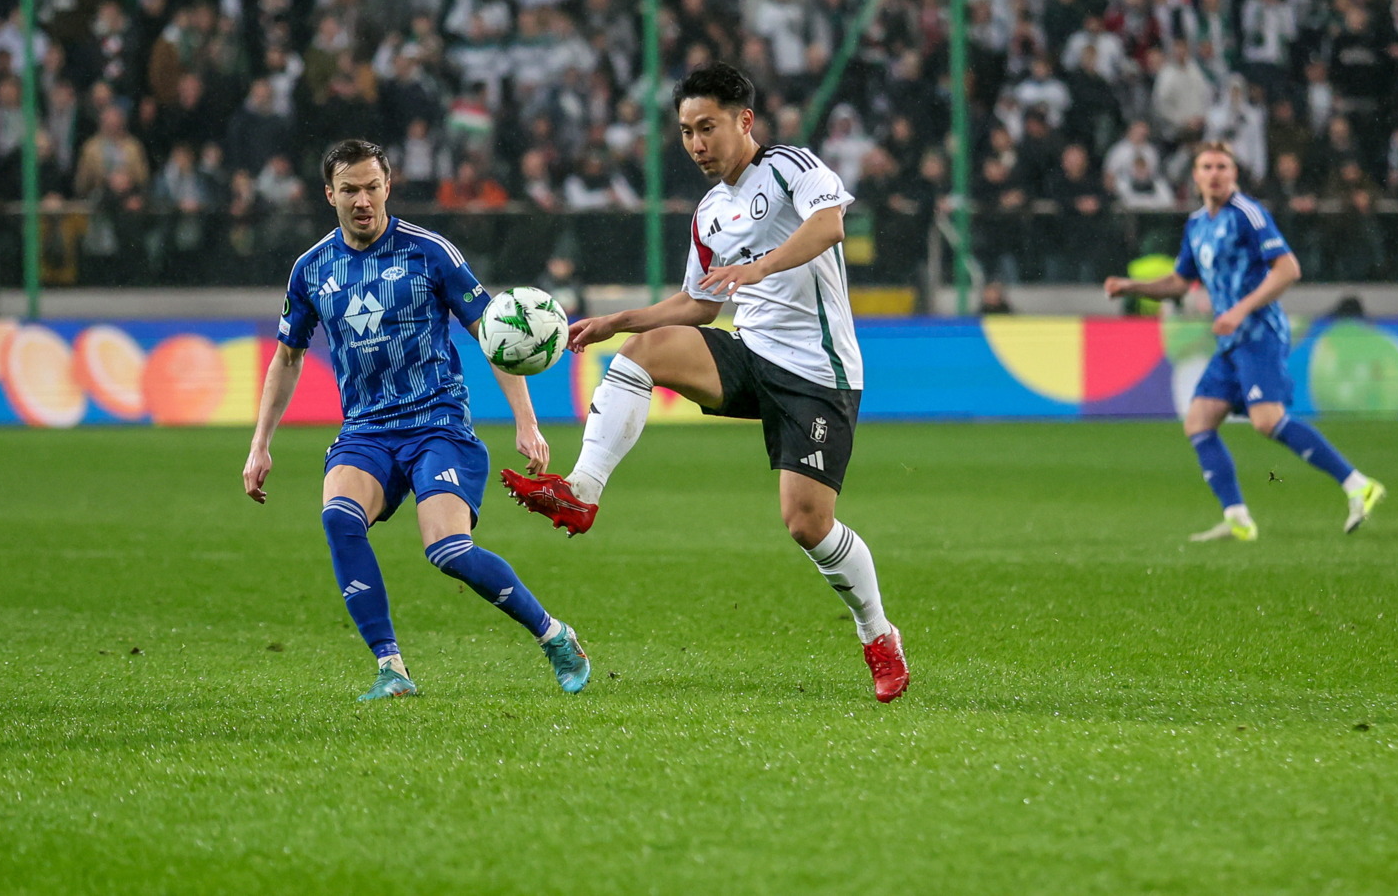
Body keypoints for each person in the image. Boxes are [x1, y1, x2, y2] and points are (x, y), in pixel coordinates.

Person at [500, 62, 909, 703]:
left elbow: (830, 226)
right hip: (751, 355)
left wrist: (760, 268)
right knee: (645, 349)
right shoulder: (709, 212)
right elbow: (698, 306)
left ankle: (877, 633)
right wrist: (617, 321)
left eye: (707, 127)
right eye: (686, 130)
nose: (696, 143)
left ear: (744, 121)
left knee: (806, 523)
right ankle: (582, 490)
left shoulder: (792, 167)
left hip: (818, 374)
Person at [241, 138, 590, 701]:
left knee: (448, 550)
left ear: (388, 187)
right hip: (365, 433)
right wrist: (260, 444)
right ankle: (392, 670)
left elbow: (492, 336)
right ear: (329, 194)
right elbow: (288, 358)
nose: (362, 199)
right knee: (338, 518)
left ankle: (554, 635)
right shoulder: (310, 270)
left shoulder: (431, 252)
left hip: (438, 426)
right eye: (349, 189)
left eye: (372, 187)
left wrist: (526, 421)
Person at [1104, 141, 1386, 542]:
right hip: (1231, 342)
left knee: (1266, 421)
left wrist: (1240, 309)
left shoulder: (1248, 215)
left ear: (1234, 173)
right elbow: (1180, 282)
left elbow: (1288, 269)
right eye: (1207, 166)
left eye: (1223, 166)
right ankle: (1237, 517)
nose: (1215, 173)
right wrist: (1132, 286)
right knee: (1199, 422)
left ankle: (1359, 484)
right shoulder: (1197, 224)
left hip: (1259, 334)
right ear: (1196, 175)